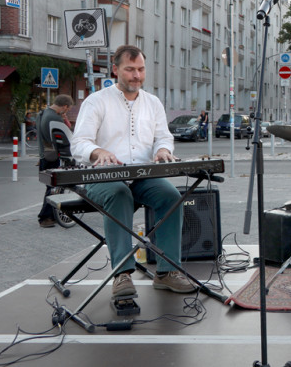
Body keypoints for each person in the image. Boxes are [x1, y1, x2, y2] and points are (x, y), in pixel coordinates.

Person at [71, 45, 196, 300]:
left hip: (142, 177)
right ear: (116, 70)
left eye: (140, 69)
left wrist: (162, 150)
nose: (136, 76)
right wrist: (97, 152)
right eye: (130, 70)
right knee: (119, 194)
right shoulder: (96, 101)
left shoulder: (153, 103)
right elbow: (79, 142)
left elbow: (164, 136)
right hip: (103, 178)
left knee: (171, 196)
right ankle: (122, 273)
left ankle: (167, 272)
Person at [36, 94, 74, 228]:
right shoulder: (55, 118)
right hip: (53, 155)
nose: (67, 112)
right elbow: (67, 136)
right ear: (64, 106)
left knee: (51, 187)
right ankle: (45, 217)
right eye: (68, 109)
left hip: (44, 155)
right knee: (54, 189)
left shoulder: (42, 113)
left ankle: (50, 216)